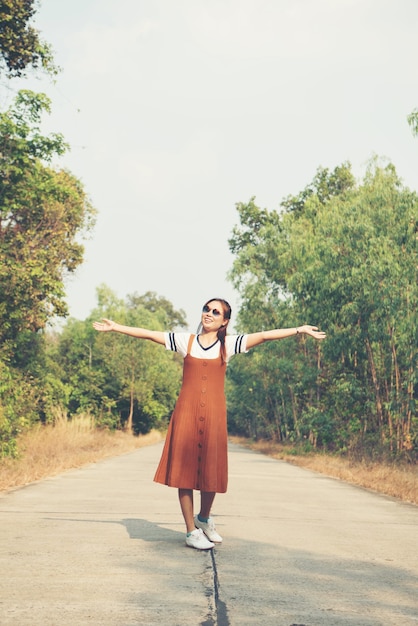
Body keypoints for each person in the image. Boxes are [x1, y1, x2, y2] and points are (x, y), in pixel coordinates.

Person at [93, 298, 326, 550]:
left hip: (215, 415)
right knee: (184, 471)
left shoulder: (228, 344)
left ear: (224, 320)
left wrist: (298, 330)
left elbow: (264, 336)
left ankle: (203, 519)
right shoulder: (186, 341)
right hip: (186, 413)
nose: (209, 314)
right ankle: (191, 531)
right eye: (206, 309)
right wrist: (117, 327)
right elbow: (150, 335)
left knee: (211, 471)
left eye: (216, 312)